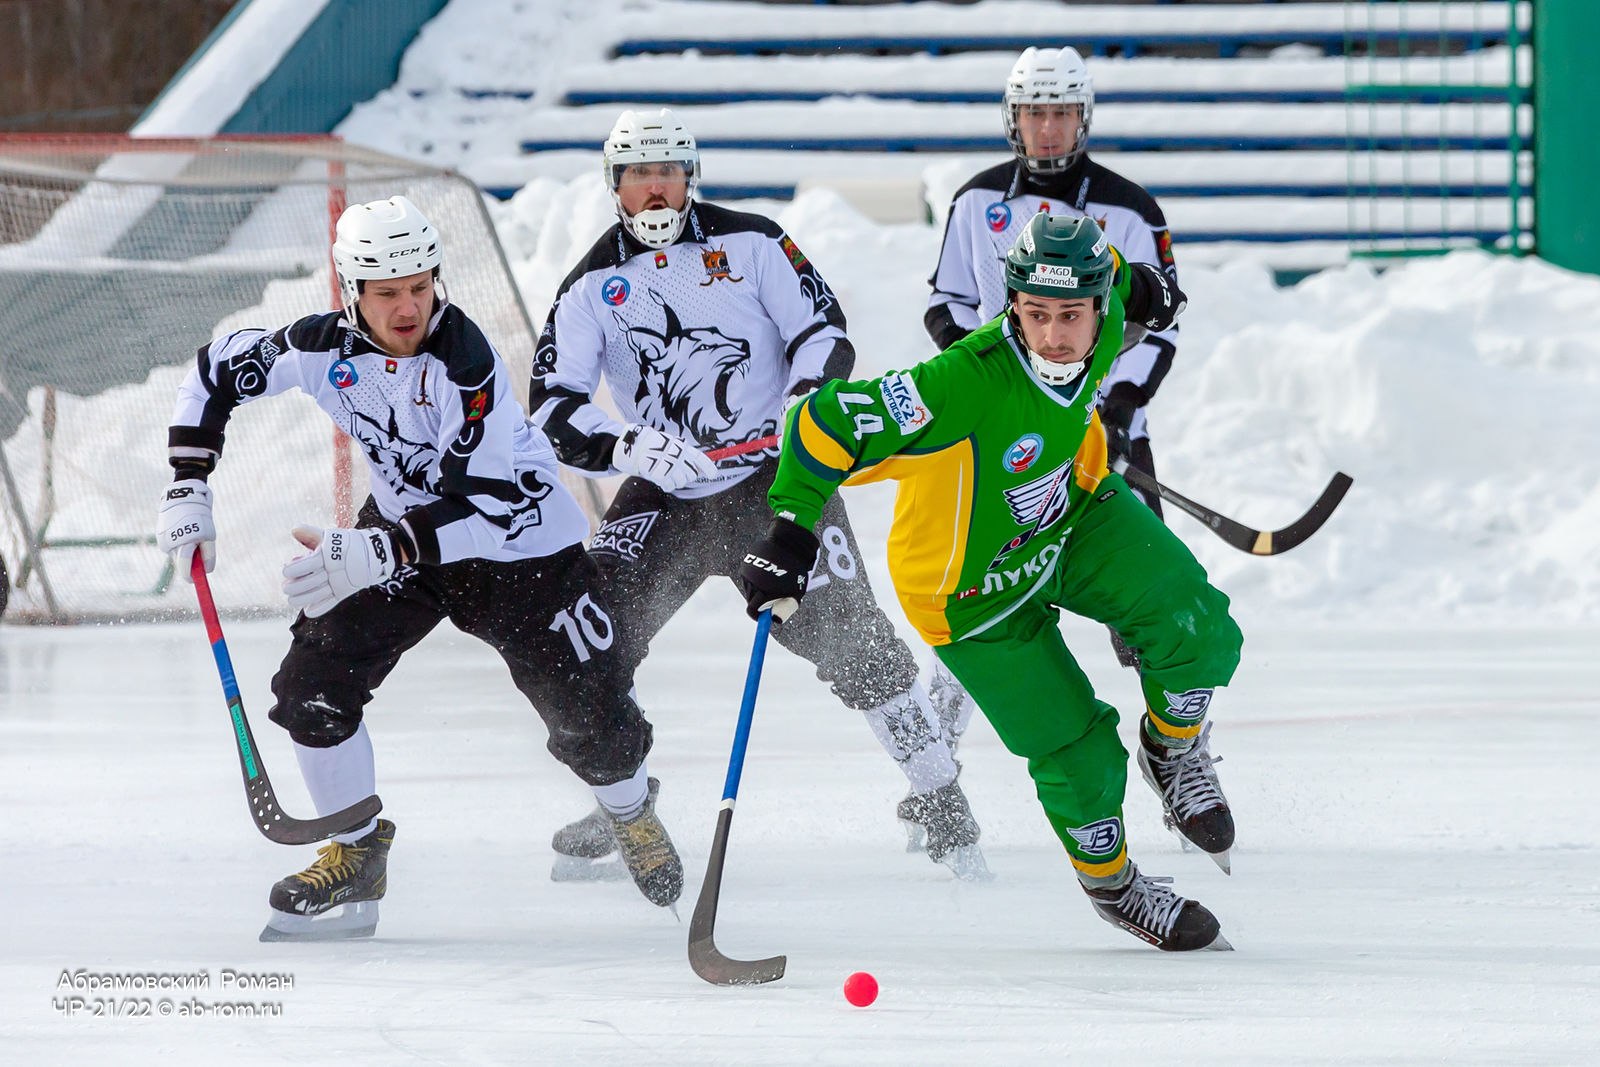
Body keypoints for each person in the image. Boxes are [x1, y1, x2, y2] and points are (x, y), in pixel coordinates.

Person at [157, 195, 683, 941]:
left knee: (590, 716)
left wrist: (376, 549)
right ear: (351, 293)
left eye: (420, 286)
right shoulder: (316, 348)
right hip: (408, 540)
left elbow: (490, 496)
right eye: (387, 292)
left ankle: (629, 809)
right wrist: (188, 480)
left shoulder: (467, 363)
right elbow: (213, 372)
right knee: (312, 687)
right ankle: (355, 852)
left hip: (518, 546)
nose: (408, 306)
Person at [737, 213, 1237, 951]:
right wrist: (791, 529)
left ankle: (1172, 746)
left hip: (1067, 514)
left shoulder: (1114, 299)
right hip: (970, 591)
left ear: (1103, 307)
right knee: (1079, 753)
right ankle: (1113, 883)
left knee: (1197, 624)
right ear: (1012, 305)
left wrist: (1158, 289)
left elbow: (1137, 283)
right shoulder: (960, 382)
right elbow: (823, 422)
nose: (1056, 336)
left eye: (1073, 316)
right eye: (1036, 315)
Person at [529, 109, 987, 880]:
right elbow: (553, 404)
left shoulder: (753, 242)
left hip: (775, 480)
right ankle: (624, 800)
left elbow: (824, 329)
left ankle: (941, 795)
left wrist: (804, 400)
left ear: (690, 175)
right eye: (637, 176)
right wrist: (626, 445)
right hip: (664, 492)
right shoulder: (589, 288)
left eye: (666, 173)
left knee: (858, 644)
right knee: (589, 644)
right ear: (615, 186)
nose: (654, 191)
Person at [926, 44, 1181, 669]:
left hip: (1103, 431)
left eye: (1061, 113)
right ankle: (942, 748)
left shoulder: (1130, 209)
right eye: (1033, 113)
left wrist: (1119, 408)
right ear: (1012, 119)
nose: (1047, 129)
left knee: (1155, 603)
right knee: (976, 594)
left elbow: (1164, 324)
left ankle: (1180, 745)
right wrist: (983, 382)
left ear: (1083, 117)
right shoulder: (973, 202)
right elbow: (946, 304)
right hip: (1011, 436)